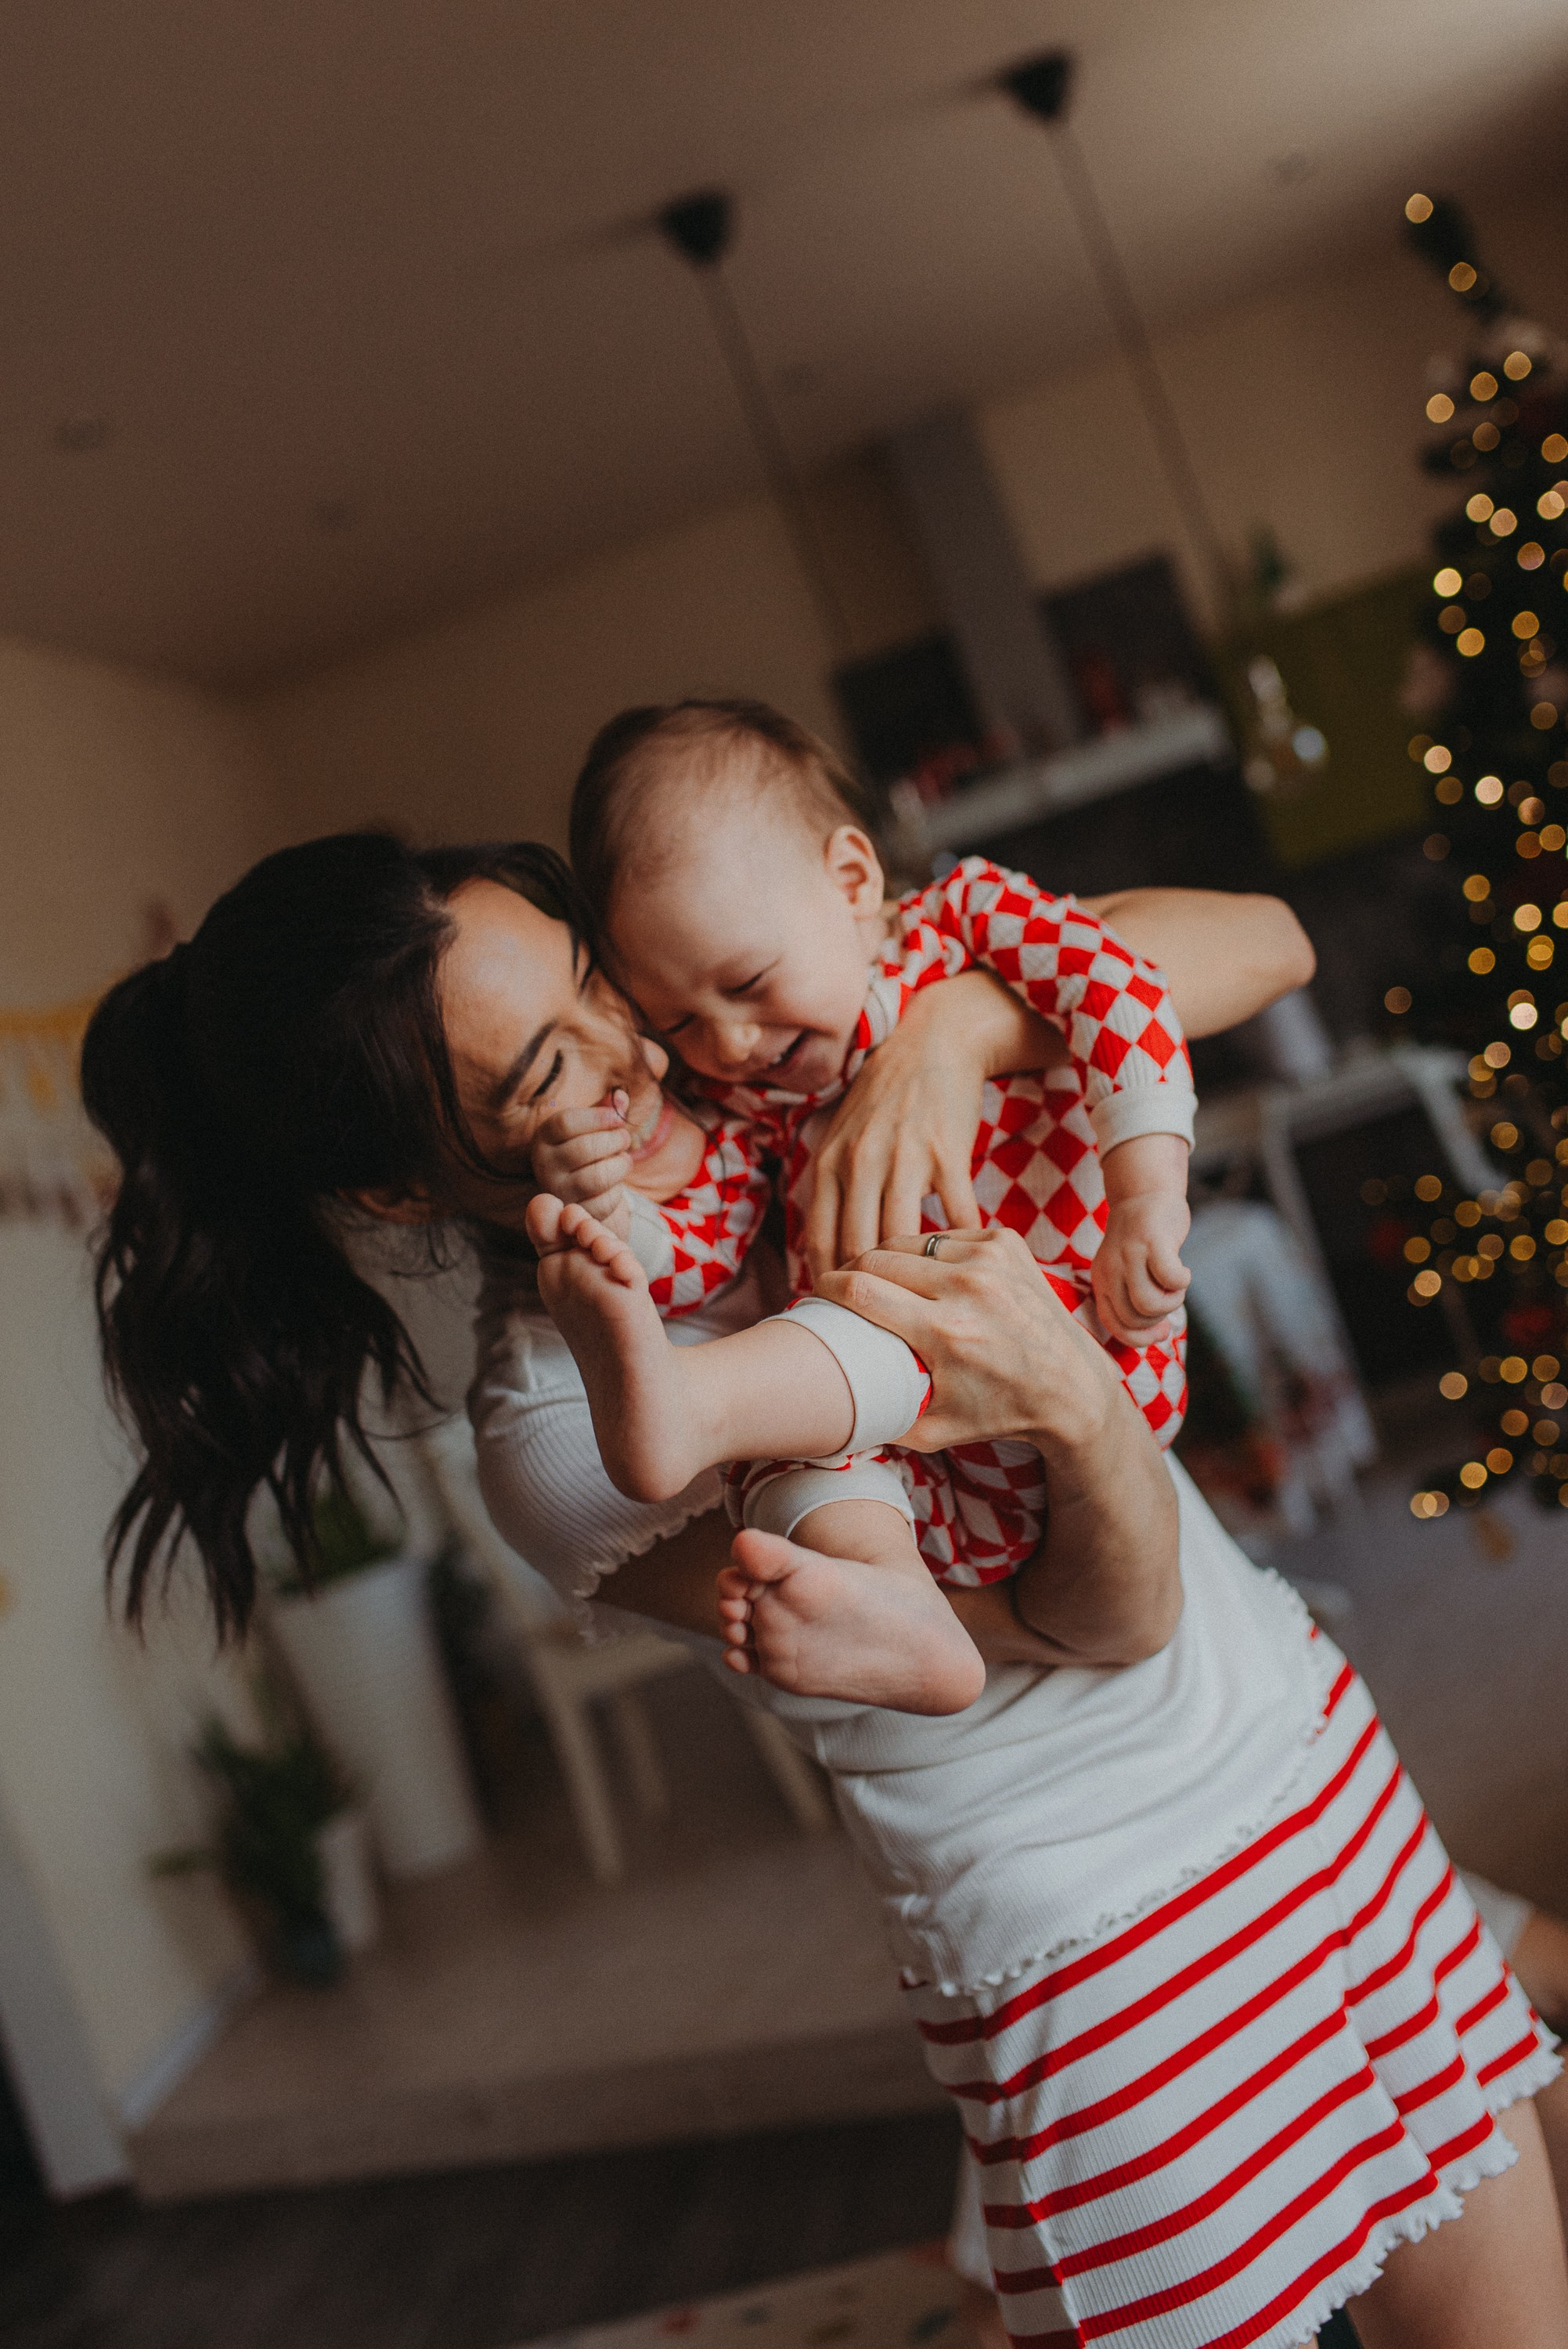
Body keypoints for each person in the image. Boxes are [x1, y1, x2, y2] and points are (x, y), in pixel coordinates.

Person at [80, 832, 1568, 2349]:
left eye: (595, 979)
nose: (638, 1067)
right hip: (1101, 1940)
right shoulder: (562, 1433)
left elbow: (1263, 938)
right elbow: (1099, 1619)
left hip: (1309, 1771)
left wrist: (948, 1034)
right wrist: (1066, 1400)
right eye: (544, 1078)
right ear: (402, 1191)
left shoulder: (759, 1030)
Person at [519, 698, 1195, 1714]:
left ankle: (694, 1407)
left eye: (747, 981)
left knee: (868, 1326)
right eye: (681, 1023)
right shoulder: (757, 1100)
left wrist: (1148, 1199)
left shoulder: (964, 923)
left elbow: (1122, 997)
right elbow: (713, 1238)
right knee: (791, 1449)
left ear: (852, 880)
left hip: (1082, 1345)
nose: (731, 1045)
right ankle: (896, 1602)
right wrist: (615, 1220)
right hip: (932, 1486)